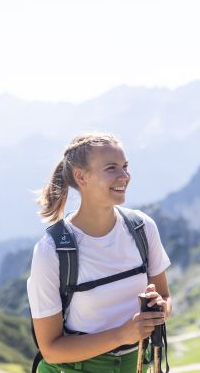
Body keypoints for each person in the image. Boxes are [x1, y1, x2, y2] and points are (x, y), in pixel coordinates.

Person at [27, 133, 172, 373]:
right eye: (111, 168)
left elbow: (166, 298)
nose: (124, 176)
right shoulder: (51, 251)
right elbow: (51, 349)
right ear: (81, 176)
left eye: (125, 167)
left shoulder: (142, 228)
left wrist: (159, 309)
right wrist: (122, 334)